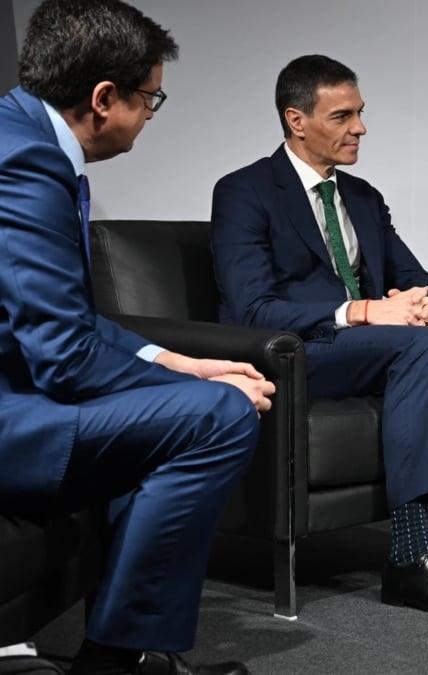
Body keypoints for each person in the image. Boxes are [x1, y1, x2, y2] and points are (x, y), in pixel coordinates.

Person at [0, 1, 276, 674]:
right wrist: (197, 385)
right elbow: (63, 355)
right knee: (219, 416)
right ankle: (120, 659)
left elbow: (58, 316)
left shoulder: (21, 134)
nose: (152, 115)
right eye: (151, 99)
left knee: (187, 409)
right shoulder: (25, 164)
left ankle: (138, 651)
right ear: (103, 98)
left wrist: (178, 359)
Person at [209, 55, 428, 617]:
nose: (360, 127)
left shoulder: (361, 196)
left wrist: (418, 301)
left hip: (377, 347)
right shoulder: (245, 192)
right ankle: (407, 557)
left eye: (360, 113)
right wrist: (360, 312)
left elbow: (415, 278)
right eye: (342, 116)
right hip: (299, 352)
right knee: (417, 343)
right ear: (297, 120)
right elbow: (252, 309)